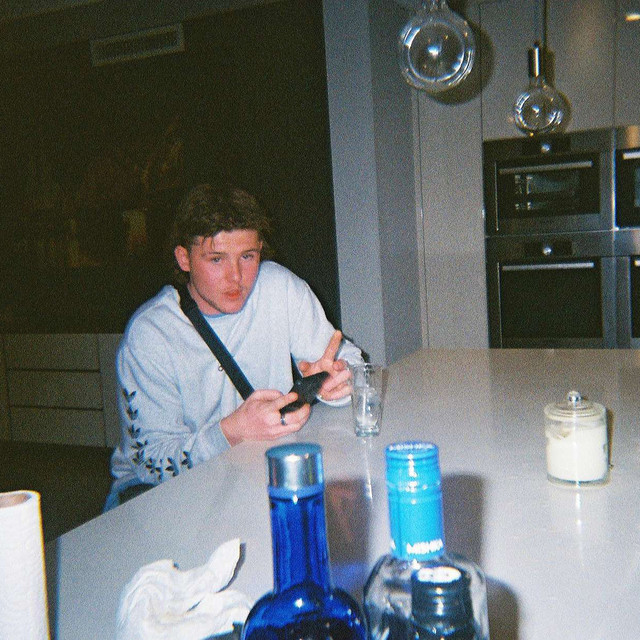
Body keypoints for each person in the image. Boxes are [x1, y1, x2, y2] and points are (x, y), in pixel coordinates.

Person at [105, 183, 363, 509]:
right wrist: (231, 432)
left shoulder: (279, 287)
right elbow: (150, 463)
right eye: (216, 259)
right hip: (161, 499)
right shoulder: (150, 334)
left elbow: (352, 362)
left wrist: (338, 380)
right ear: (184, 258)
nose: (236, 277)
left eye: (247, 256)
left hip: (252, 477)